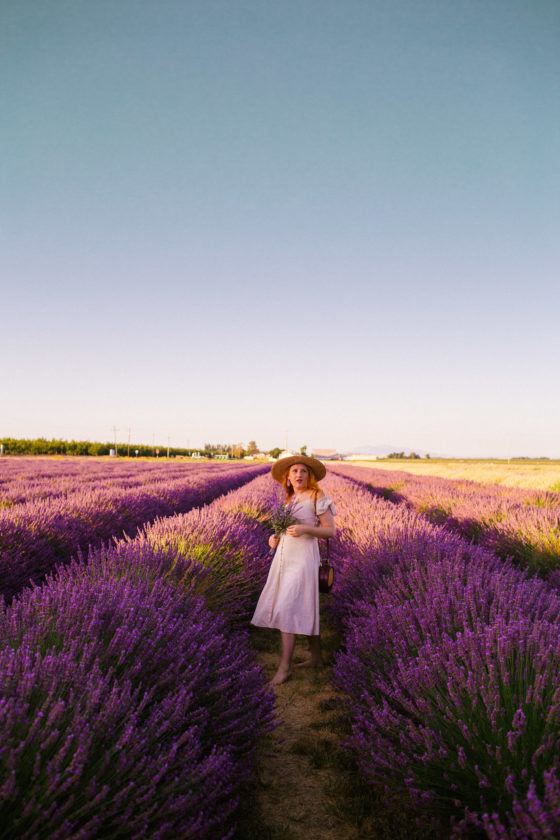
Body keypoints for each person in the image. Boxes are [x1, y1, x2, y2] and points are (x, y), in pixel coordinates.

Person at [250, 454, 337, 686]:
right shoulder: (290, 500)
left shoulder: (318, 496)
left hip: (304, 557)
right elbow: (284, 529)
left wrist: (305, 528)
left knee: (287, 606)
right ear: (287, 478)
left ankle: (284, 667)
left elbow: (330, 532)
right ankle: (317, 657)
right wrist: (274, 537)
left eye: (303, 471)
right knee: (305, 604)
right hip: (285, 557)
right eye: (294, 471)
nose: (299, 474)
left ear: (310, 476)